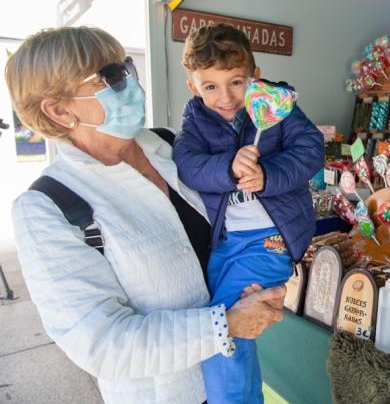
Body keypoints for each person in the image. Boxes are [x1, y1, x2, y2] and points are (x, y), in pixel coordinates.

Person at [7, 26, 286, 404]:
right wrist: (227, 324)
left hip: (234, 376)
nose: (132, 84)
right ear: (59, 109)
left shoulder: (173, 144)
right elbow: (101, 342)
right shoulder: (49, 206)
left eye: (125, 68)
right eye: (110, 77)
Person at [172, 23, 324, 404]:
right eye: (210, 86)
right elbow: (187, 164)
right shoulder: (196, 120)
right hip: (224, 243)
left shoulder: (277, 105)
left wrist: (268, 174)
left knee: (226, 320)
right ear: (193, 87)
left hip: (270, 240)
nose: (225, 97)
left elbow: (310, 148)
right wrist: (228, 167)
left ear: (255, 76)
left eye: (236, 82)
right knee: (222, 313)